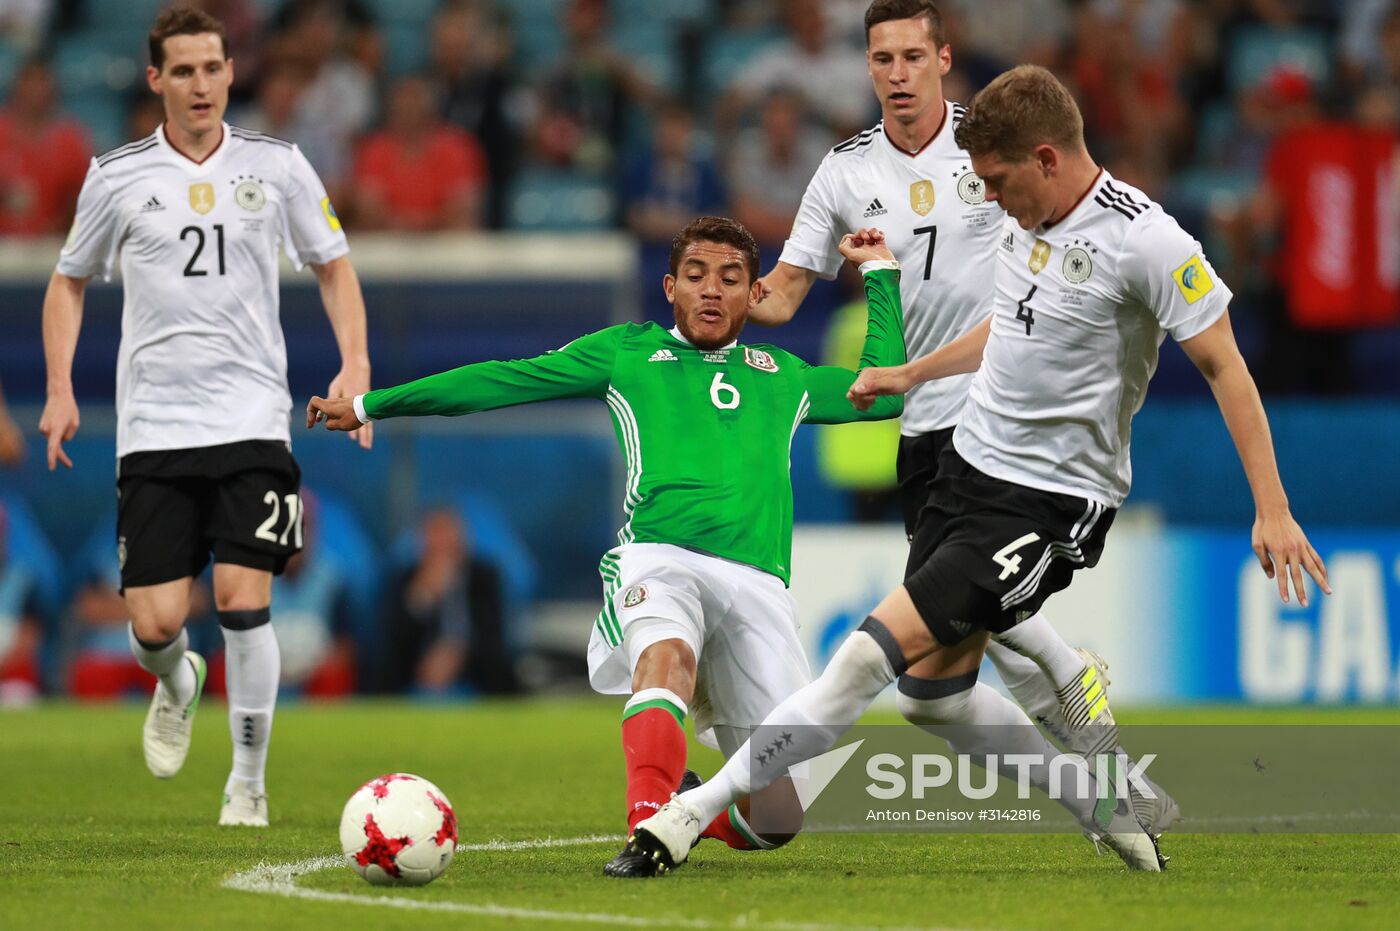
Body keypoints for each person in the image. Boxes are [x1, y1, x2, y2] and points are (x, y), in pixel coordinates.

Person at [633, 64, 1332, 876]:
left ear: (1044, 158)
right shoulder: (1023, 217)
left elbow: (1226, 366)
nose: (990, 199)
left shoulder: (1147, 241)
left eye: (998, 182)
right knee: (932, 699)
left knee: (863, 660)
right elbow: (1009, 322)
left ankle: (686, 813)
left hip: (1048, 499)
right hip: (963, 467)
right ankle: (1099, 793)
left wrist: (1272, 507)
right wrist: (910, 374)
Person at [308, 216, 905, 877]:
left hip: (758, 583)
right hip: (661, 558)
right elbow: (501, 380)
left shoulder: (783, 373)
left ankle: (686, 806)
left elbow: (877, 397)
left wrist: (879, 275)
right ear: (671, 287)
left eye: (731, 278)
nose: (713, 291)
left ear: (753, 294)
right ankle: (647, 827)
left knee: (777, 818)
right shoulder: (628, 352)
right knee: (667, 654)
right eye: (698, 277)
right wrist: (371, 405)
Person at [749, 0, 1174, 831]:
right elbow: (786, 290)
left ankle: (1102, 768)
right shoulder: (844, 171)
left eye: (913, 56)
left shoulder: (995, 145)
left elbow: (1078, 212)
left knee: (960, 604)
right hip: (920, 423)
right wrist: (719, 301)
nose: (898, 74)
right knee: (948, 653)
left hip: (1002, 410)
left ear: (944, 59)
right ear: (866, 67)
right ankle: (1108, 770)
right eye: (882, 59)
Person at [38, 7, 373, 827]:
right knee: (154, 622)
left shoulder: (280, 166)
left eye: (212, 68)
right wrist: (58, 387)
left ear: (231, 73)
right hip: (153, 425)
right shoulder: (116, 175)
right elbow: (67, 281)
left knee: (241, 598)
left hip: (254, 418)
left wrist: (356, 365)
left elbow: (335, 265)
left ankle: (247, 783)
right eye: (182, 70)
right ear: (156, 79)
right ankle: (175, 676)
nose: (199, 84)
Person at [380, 507, 517, 697]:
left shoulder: (483, 577)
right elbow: (394, 647)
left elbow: (494, 637)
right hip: (418, 683)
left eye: (447, 532)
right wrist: (424, 597)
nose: (441, 542)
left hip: (476, 678)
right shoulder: (404, 580)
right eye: (434, 533)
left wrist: (456, 656)